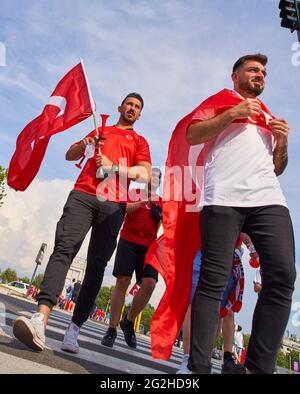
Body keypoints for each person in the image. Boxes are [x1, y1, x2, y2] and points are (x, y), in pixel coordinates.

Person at [13, 93, 152, 352]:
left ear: (139, 114)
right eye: (129, 104)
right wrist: (86, 143)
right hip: (83, 195)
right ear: (120, 107)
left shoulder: (140, 142)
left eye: (137, 107)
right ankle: (40, 319)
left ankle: (73, 330)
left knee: (96, 266)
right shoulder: (101, 130)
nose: (132, 109)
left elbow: (144, 174)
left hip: (113, 205)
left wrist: (114, 167)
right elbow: (69, 154)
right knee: (63, 250)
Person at [186, 54, 296, 374]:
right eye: (252, 70)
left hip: (266, 198)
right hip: (223, 196)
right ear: (235, 76)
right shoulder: (222, 99)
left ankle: (256, 368)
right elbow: (193, 134)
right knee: (213, 280)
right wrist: (232, 113)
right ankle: (199, 366)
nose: (260, 75)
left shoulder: (267, 114)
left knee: (284, 274)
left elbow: (278, 167)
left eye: (263, 72)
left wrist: (282, 142)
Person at [101, 168, 162, 349]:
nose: (154, 181)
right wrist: (144, 199)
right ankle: (111, 329)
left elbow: (161, 223)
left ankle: (129, 321)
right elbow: (124, 209)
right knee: (123, 281)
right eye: (152, 177)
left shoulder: (161, 202)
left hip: (149, 246)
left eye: (158, 178)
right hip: (128, 240)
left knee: (150, 283)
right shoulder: (135, 193)